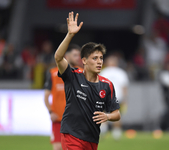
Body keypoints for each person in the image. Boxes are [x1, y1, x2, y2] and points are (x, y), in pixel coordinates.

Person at [54, 12, 120, 150]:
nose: (99, 62)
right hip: (71, 135)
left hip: (92, 140)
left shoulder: (107, 85)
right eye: (94, 58)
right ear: (84, 61)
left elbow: (117, 114)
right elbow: (58, 58)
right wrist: (70, 35)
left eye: (101, 58)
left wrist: (107, 116)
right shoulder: (73, 76)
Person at [44, 44, 82, 150]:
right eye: (75, 55)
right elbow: (46, 96)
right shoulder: (53, 74)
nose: (78, 58)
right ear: (66, 56)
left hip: (75, 119)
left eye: (79, 55)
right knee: (57, 148)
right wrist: (51, 112)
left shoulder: (82, 73)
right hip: (58, 119)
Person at [100, 55, 129, 140]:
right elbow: (124, 87)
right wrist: (125, 98)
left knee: (103, 114)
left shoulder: (103, 72)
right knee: (116, 115)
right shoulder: (121, 72)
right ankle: (117, 135)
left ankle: (103, 132)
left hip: (105, 97)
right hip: (117, 97)